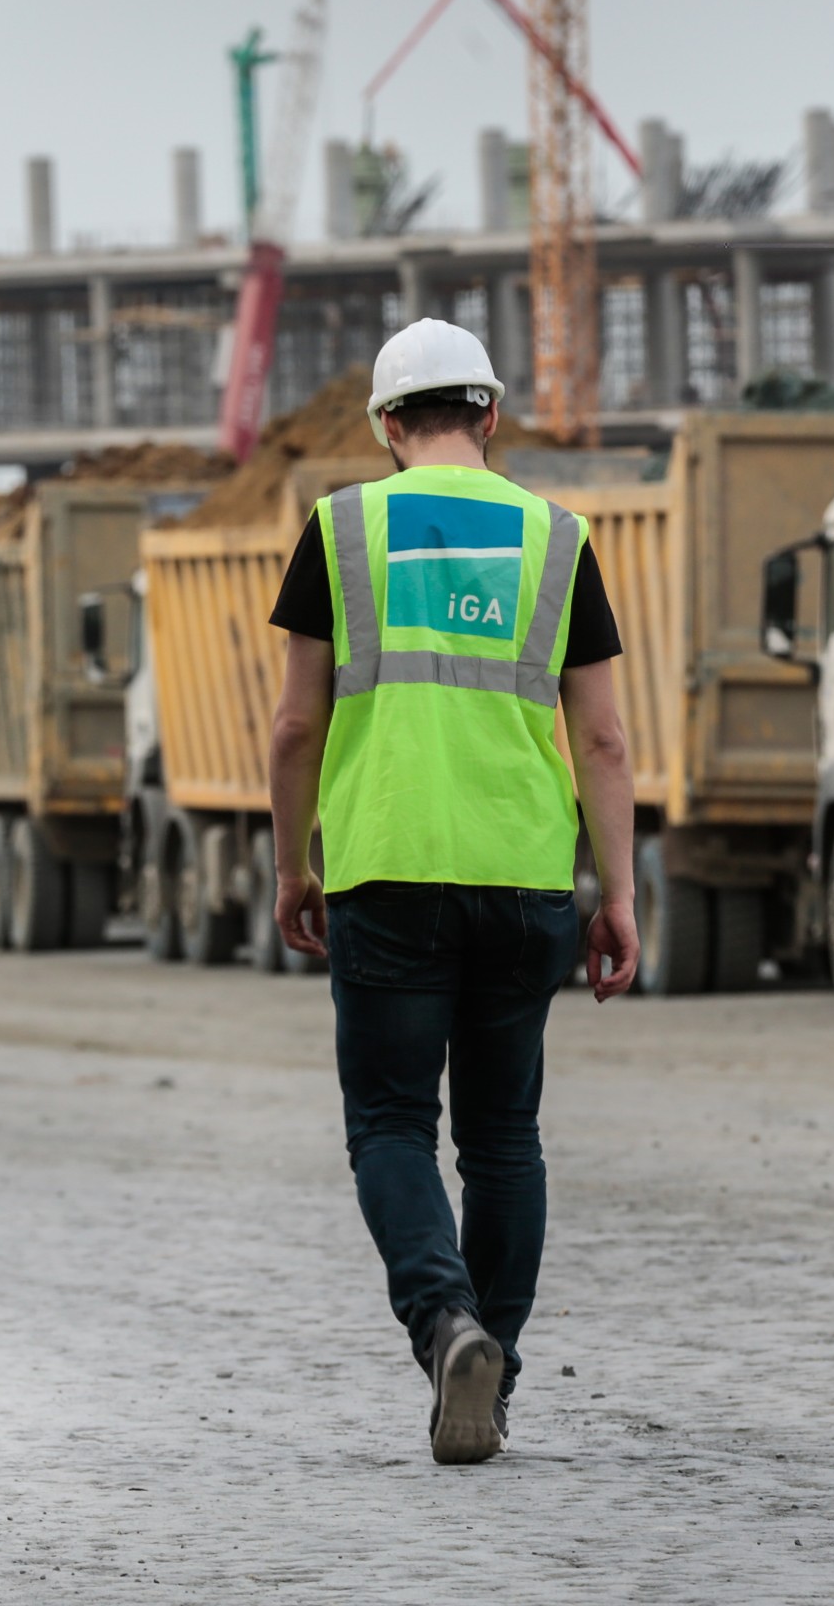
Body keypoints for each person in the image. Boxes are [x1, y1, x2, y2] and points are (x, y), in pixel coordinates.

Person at [267, 318, 640, 1466]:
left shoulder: (339, 528)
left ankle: (446, 1328)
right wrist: (616, 891)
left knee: (389, 1122)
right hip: (523, 872)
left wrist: (293, 866)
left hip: (385, 865)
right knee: (501, 1136)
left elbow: (292, 725)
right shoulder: (556, 536)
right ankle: (496, 1366)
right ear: (489, 413)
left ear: (385, 427)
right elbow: (608, 737)